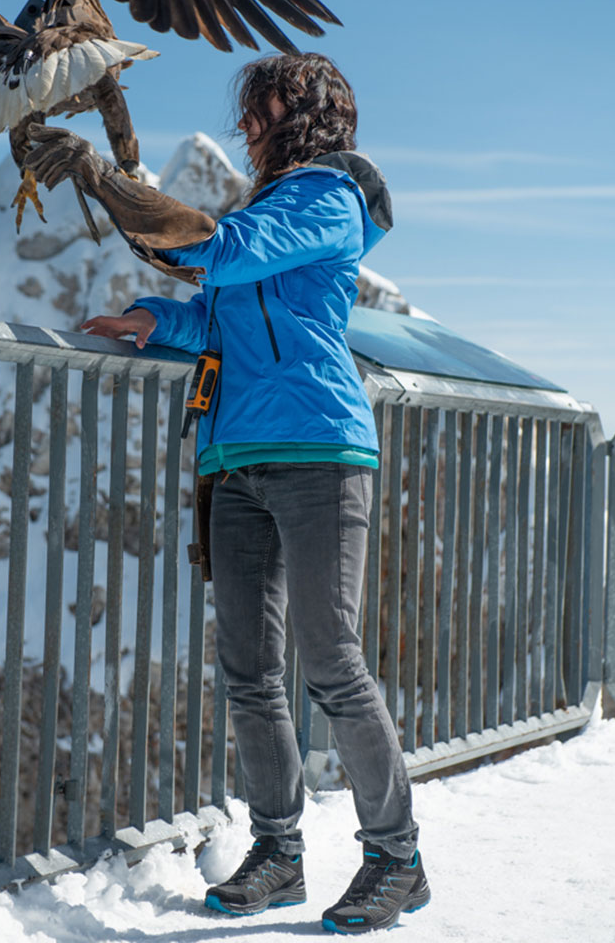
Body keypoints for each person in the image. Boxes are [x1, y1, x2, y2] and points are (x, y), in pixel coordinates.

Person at [27, 53, 430, 936]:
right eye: (245, 108)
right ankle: (279, 853)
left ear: (308, 111)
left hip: (318, 450)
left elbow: (230, 253)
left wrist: (103, 174)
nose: (247, 121)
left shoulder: (328, 197)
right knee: (251, 671)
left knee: (331, 661)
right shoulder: (262, 207)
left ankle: (396, 857)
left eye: (262, 106)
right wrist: (154, 320)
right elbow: (221, 313)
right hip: (233, 458)